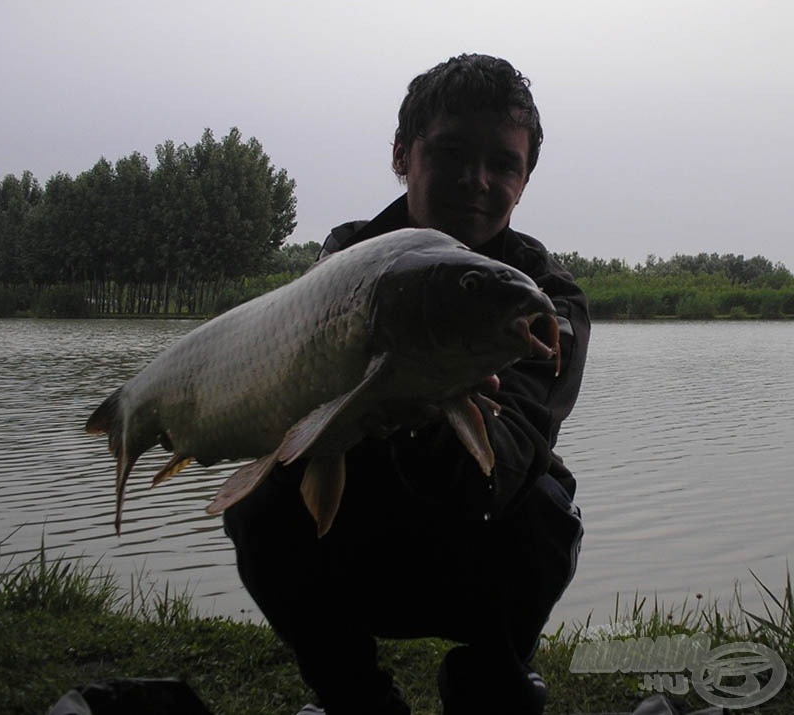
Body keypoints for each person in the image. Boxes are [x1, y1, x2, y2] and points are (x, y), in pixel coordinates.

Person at [224, 53, 590, 715]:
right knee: (256, 503)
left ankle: (487, 680)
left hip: (471, 539)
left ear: (525, 179)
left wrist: (430, 423)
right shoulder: (346, 264)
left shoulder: (543, 301)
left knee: (546, 510)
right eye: (450, 151)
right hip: (353, 535)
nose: (477, 181)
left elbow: (505, 465)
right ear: (402, 155)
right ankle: (355, 697)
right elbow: (293, 422)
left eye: (504, 164)